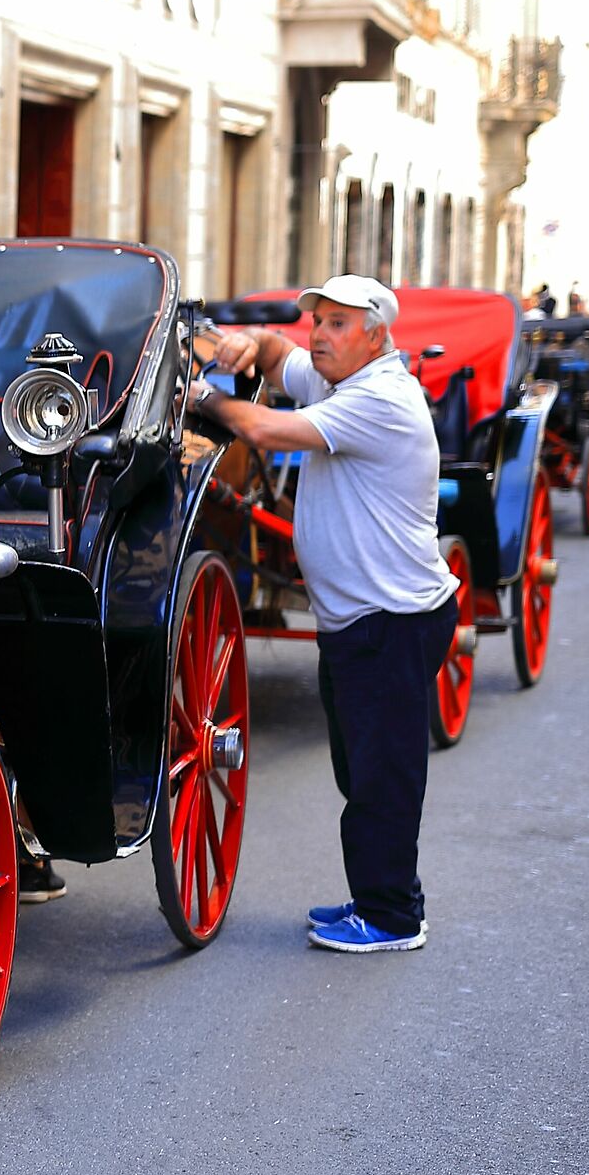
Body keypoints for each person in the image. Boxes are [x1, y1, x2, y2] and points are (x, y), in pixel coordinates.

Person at [197, 276, 458, 954]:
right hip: (358, 622)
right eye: (316, 319)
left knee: (382, 777)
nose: (318, 333)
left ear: (376, 336)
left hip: (391, 621)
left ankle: (396, 918)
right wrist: (249, 343)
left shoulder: (380, 399)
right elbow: (280, 356)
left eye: (337, 323)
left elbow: (258, 425)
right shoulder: (340, 380)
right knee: (360, 770)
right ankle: (377, 896)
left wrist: (201, 396)